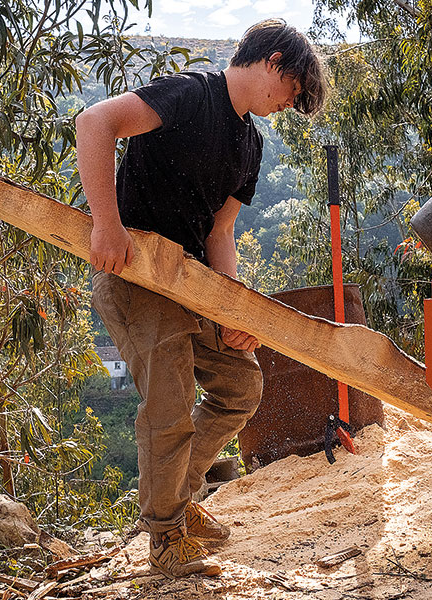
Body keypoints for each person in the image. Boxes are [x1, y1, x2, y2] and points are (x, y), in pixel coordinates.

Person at [75, 19, 326, 578]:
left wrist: (228, 313)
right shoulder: (191, 93)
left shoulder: (251, 143)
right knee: (169, 401)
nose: (290, 104)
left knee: (242, 384)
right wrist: (105, 225)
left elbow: (220, 235)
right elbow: (94, 122)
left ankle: (177, 505)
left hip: (190, 283)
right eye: (292, 90)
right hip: (135, 273)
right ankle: (165, 538)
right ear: (274, 62)